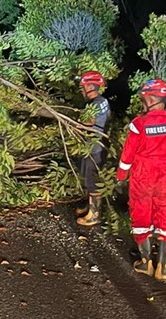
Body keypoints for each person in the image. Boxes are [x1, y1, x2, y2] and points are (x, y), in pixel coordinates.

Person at [116, 79, 166, 281]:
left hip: (143, 176)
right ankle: (163, 268)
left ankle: (146, 263)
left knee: (141, 215)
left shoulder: (139, 124)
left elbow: (127, 155)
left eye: (144, 98)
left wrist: (121, 176)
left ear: (150, 98)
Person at [75, 71, 112, 227]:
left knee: (92, 180)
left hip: (94, 147)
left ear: (90, 86)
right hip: (98, 145)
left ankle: (94, 214)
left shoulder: (93, 105)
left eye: (83, 87)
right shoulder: (103, 101)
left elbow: (88, 123)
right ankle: (89, 206)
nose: (81, 90)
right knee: (89, 177)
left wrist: (76, 123)